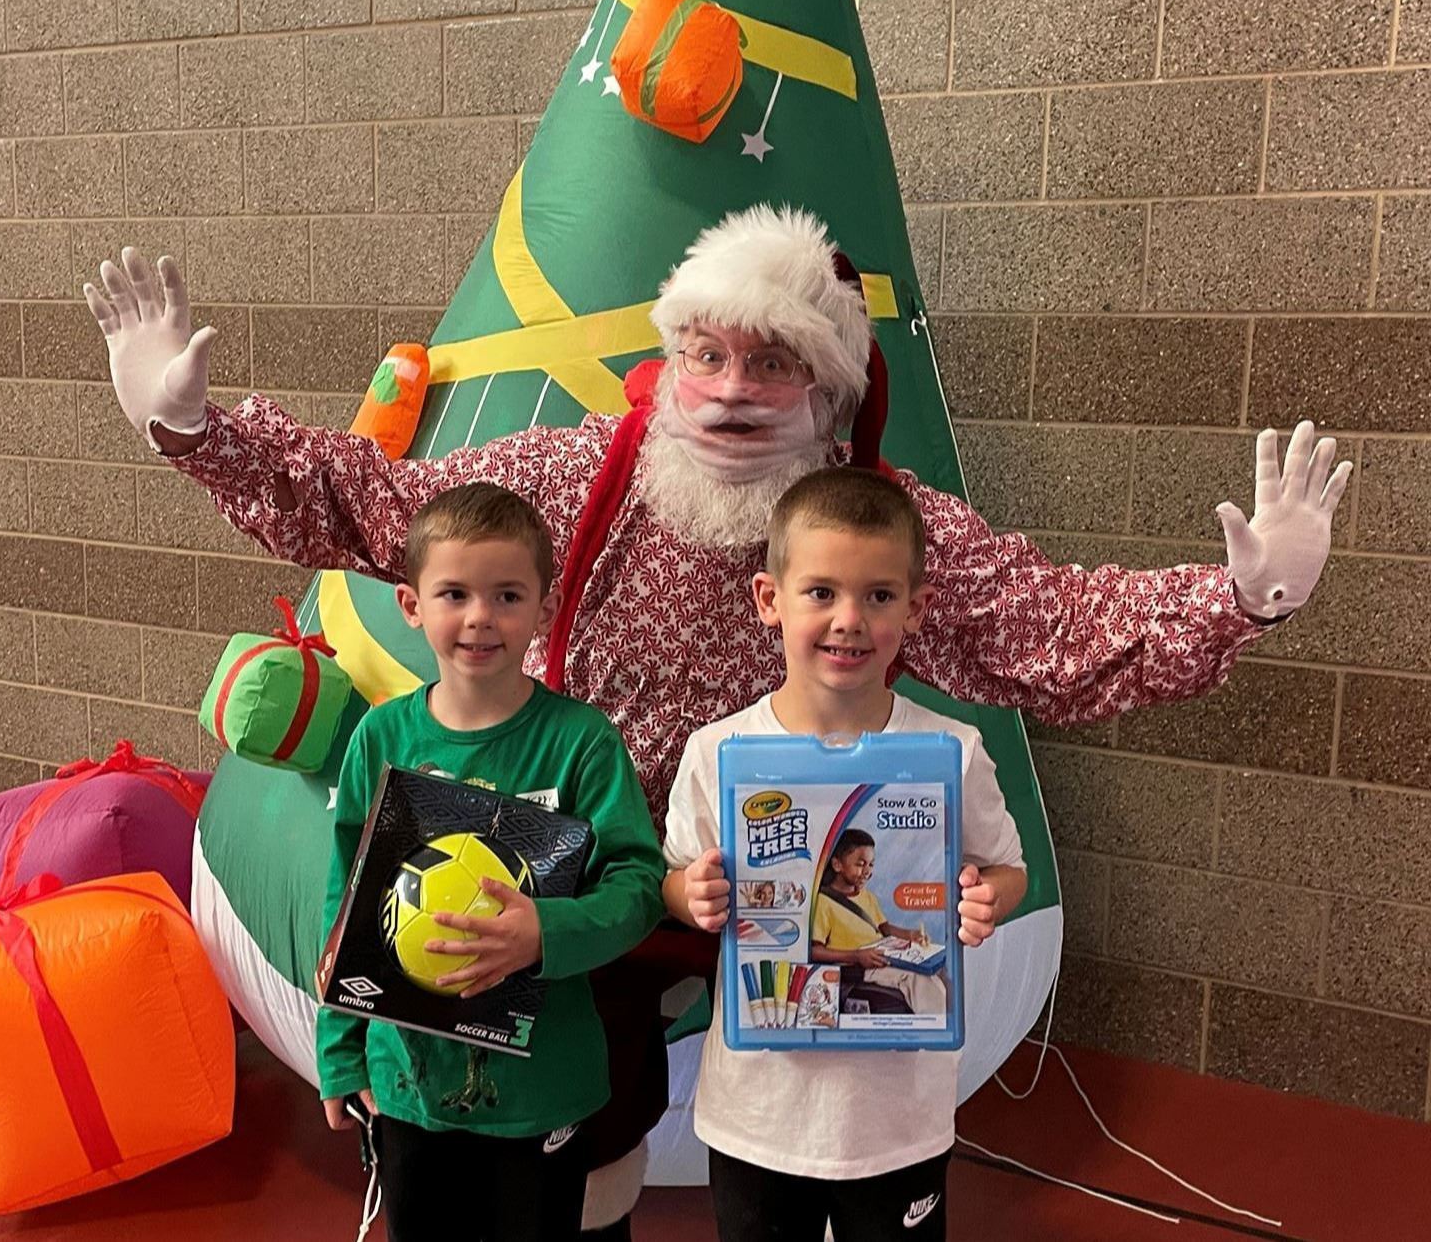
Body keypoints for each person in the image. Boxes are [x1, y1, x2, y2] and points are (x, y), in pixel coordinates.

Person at [84, 203, 1350, 1232]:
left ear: (830, 388)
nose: (733, 389)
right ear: (670, 353)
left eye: (774, 360)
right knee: (532, 1130)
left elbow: (1055, 628)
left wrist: (1240, 598)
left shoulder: (874, 529)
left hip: (781, 902)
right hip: (569, 871)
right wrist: (196, 428)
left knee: (752, 1151)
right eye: (708, 352)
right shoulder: (580, 471)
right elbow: (389, 510)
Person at [663, 467, 1026, 1241]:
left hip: (895, 1117)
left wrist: (988, 897)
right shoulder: (718, 750)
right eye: (821, 591)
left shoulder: (951, 753)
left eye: (880, 595)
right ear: (770, 599)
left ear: (916, 609)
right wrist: (690, 893)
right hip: (759, 1113)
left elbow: (1006, 868)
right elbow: (674, 876)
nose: (849, 620)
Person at [317, 482, 665, 1242]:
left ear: (544, 608)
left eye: (508, 594)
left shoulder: (581, 742)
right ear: (412, 604)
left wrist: (546, 929)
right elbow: (342, 902)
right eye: (455, 593)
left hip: (542, 1086)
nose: (480, 616)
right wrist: (340, 1053)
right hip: (408, 1082)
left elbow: (639, 888)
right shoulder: (381, 739)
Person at [811, 827, 946, 1017]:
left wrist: (910, 935)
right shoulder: (824, 903)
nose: (867, 871)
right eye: (860, 864)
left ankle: (943, 1022)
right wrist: (857, 956)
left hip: (883, 958)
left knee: (940, 971)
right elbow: (814, 951)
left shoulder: (868, 897)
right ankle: (934, 1030)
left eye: (871, 865)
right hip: (856, 969)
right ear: (837, 864)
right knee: (920, 980)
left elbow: (885, 929)